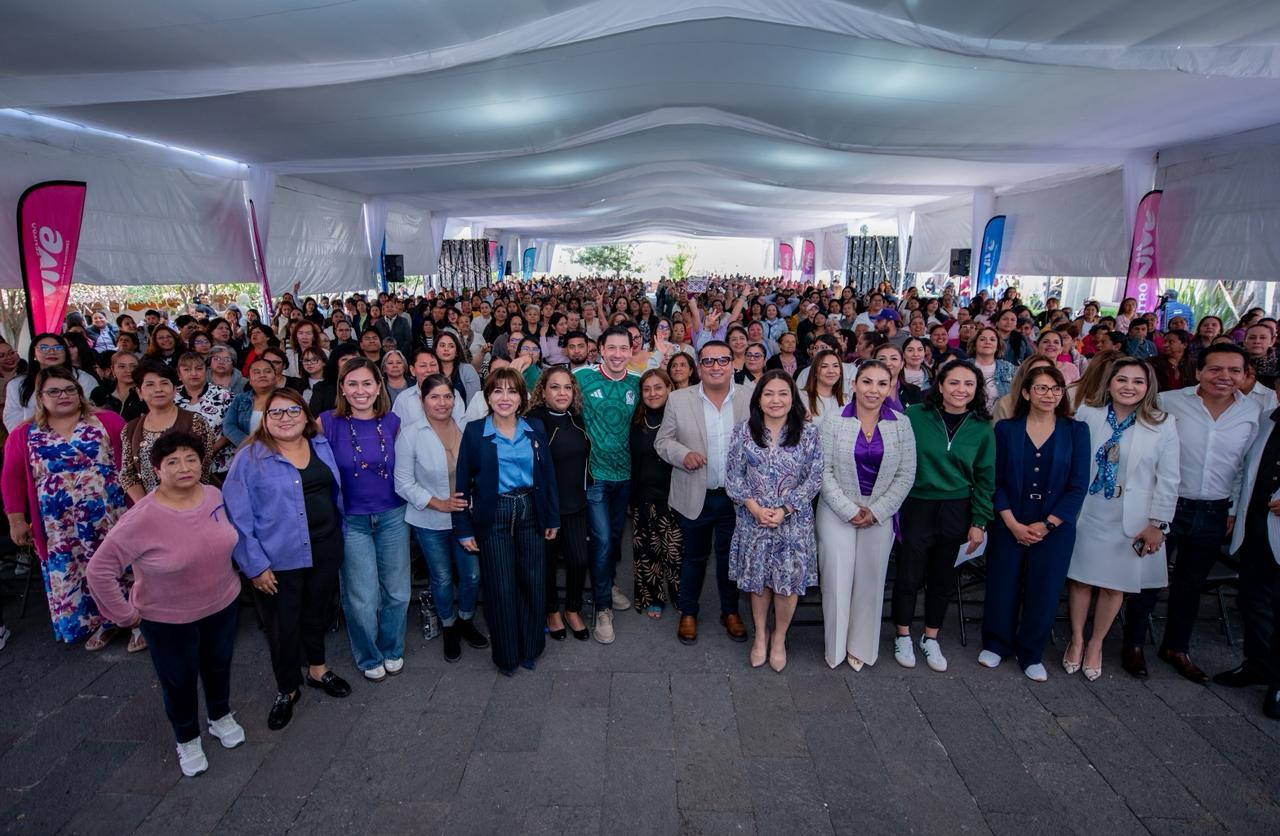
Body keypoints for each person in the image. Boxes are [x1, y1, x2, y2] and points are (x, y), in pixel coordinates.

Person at [86, 431, 244, 777]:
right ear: (156, 469)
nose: (184, 467)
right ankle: (186, 737)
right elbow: (99, 570)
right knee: (179, 679)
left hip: (222, 602)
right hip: (169, 618)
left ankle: (220, 716)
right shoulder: (143, 517)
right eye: (172, 461)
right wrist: (125, 615)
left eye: (191, 458)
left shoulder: (213, 494)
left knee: (219, 665)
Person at [1124, 344, 1261, 682]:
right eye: (1216, 369)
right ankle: (1133, 644)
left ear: (1245, 376)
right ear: (1198, 371)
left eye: (1233, 371)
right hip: (1167, 506)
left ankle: (1176, 647)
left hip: (1215, 510)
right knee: (1148, 581)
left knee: (1190, 585)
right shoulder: (1169, 402)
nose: (1224, 377)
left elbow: (1246, 466)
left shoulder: (1254, 412)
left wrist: (1232, 506)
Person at [223, 389, 352, 731]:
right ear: (264, 419)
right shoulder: (250, 457)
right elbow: (237, 517)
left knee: (317, 613)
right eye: (276, 412)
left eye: (293, 410)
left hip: (325, 548)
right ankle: (287, 688)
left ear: (306, 415)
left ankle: (318, 669)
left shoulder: (321, 446)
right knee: (282, 626)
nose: (285, 418)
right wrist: (255, 565)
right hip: (278, 559)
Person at [2, 367, 134, 650]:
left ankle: (136, 621)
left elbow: (129, 465)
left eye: (69, 389)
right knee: (78, 572)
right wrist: (15, 520)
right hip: (59, 525)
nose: (63, 396)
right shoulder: (24, 434)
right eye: (54, 391)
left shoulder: (106, 421)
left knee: (121, 566)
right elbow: (11, 478)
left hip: (109, 514)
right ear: (40, 397)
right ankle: (104, 623)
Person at [1066, 358, 1178, 681]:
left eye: (1138, 381)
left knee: (1114, 585)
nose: (1129, 387)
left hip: (1132, 518)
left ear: (1149, 386)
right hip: (1090, 509)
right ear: (1110, 383)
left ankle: (1096, 644)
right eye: (1122, 379)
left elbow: (1169, 478)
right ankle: (1076, 639)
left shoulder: (1162, 423)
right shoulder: (1088, 412)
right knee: (1080, 579)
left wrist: (1158, 524)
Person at [979, 367, 1090, 681]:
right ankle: (997, 644)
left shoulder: (1076, 431)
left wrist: (1049, 524)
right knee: (1003, 582)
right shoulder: (1005, 430)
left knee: (1045, 586)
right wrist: (1012, 522)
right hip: (1009, 519)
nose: (1049, 395)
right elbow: (994, 480)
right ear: (1026, 393)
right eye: (1041, 388)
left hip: (1055, 525)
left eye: (1055, 389)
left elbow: (1078, 485)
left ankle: (1031, 652)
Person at [453, 368, 560, 675]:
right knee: (500, 586)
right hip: (494, 513)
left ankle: (531, 648)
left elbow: (547, 476)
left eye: (512, 391)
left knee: (533, 581)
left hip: (531, 509)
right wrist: (463, 528)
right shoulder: (475, 431)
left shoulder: (535, 428)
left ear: (522, 397)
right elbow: (462, 483)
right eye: (497, 391)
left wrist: (551, 516)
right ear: (488, 396)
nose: (505, 398)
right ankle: (506, 655)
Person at [893, 361, 995, 672]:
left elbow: (985, 477)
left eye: (968, 384)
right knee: (909, 575)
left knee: (943, 576)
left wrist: (979, 522)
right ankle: (903, 635)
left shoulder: (981, 427)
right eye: (954, 383)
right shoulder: (914, 416)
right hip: (917, 505)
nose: (960, 390)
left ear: (976, 390)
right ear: (940, 385)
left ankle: (931, 638)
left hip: (957, 509)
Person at [817, 360, 916, 670]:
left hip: (881, 511)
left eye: (881, 384)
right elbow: (822, 471)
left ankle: (861, 646)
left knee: (871, 579)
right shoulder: (834, 420)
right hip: (836, 508)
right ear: (854, 385)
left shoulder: (901, 423)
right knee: (837, 577)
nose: (874, 390)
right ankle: (835, 648)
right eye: (867, 382)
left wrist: (876, 511)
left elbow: (906, 473)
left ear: (890, 388)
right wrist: (848, 510)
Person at [655, 340, 753, 645]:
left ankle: (730, 612)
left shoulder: (750, 397)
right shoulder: (679, 399)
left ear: (732, 365)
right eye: (708, 361)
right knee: (693, 558)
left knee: (729, 558)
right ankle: (688, 612)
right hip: (695, 494)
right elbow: (663, 441)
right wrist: (683, 454)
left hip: (737, 498)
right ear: (699, 366)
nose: (715, 367)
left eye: (722, 360)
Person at [724, 371, 822, 671]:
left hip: (792, 523)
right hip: (753, 521)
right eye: (768, 394)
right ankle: (760, 636)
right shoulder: (744, 431)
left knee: (787, 585)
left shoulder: (808, 433)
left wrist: (785, 509)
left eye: (782, 393)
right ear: (758, 399)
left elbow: (814, 477)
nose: (776, 400)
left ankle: (779, 637)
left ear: (793, 398)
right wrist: (754, 508)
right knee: (758, 583)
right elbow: (733, 475)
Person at [319, 358, 409, 682]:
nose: (361, 391)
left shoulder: (393, 421)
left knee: (398, 591)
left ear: (378, 386)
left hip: (393, 516)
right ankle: (368, 654)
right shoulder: (327, 422)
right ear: (342, 387)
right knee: (362, 597)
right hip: (351, 522)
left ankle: (392, 647)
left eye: (367, 383)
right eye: (353, 384)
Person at [394, 373, 489, 661]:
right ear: (422, 401)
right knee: (443, 577)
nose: (442, 402)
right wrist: (438, 503)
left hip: (465, 520)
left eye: (448, 396)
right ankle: (448, 625)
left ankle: (465, 618)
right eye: (434, 396)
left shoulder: (467, 428)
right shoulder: (410, 434)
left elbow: (479, 473)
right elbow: (403, 483)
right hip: (429, 521)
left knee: (472, 574)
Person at [573, 326, 641, 644]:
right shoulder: (582, 378)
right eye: (610, 347)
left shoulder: (638, 383)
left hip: (625, 476)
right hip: (595, 476)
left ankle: (608, 583)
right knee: (600, 541)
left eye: (622, 348)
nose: (616, 354)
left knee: (614, 540)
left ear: (631, 350)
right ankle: (602, 609)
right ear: (600, 348)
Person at [1218, 395, 1280, 717]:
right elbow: (1244, 466)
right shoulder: (1266, 418)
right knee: (1252, 601)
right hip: (1255, 525)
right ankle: (1257, 664)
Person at [525, 368, 593, 639]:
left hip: (576, 504)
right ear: (543, 391)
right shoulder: (533, 422)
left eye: (567, 387)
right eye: (555, 387)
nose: (562, 393)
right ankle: (552, 610)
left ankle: (572, 609)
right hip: (545, 508)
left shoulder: (577, 418)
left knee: (579, 560)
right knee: (548, 563)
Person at [119, 360, 214, 502]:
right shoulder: (130, 429)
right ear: (139, 392)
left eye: (164, 383)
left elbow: (204, 470)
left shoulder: (195, 422)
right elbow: (128, 474)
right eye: (150, 384)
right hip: (150, 509)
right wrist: (147, 505)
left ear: (175, 389)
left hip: (192, 503)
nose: (158, 389)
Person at [629, 369, 683, 618]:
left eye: (658, 387)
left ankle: (681, 596)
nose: (652, 393)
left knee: (676, 551)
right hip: (643, 496)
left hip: (674, 496)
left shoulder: (681, 418)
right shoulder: (636, 419)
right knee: (647, 551)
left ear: (669, 388)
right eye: (647, 389)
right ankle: (653, 597)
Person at [4, 333, 98, 431]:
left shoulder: (84, 379)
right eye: (43, 347)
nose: (51, 351)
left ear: (66, 352)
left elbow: (92, 411)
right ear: (33, 353)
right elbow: (12, 418)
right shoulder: (17, 384)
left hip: (79, 437)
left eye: (58, 347)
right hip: (33, 440)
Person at [175, 352, 235, 477]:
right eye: (187, 369)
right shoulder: (171, 398)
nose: (193, 373)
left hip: (221, 466)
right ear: (179, 374)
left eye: (199, 369)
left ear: (206, 371)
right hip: (182, 467)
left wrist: (209, 451)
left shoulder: (225, 395)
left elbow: (232, 427)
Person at [967, 326, 1015, 413]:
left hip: (1001, 420)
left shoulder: (1009, 368)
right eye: (982, 339)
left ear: (997, 346)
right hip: (971, 420)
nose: (987, 342)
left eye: (992, 339)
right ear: (974, 345)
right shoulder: (963, 367)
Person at [90, 349, 147, 421]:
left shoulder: (146, 394)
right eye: (122, 366)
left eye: (133, 366)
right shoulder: (99, 392)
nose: (128, 370)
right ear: (113, 370)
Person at [802, 349, 846, 429]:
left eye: (835, 366)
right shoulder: (801, 397)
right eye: (824, 366)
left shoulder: (846, 400)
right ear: (815, 372)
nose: (831, 371)